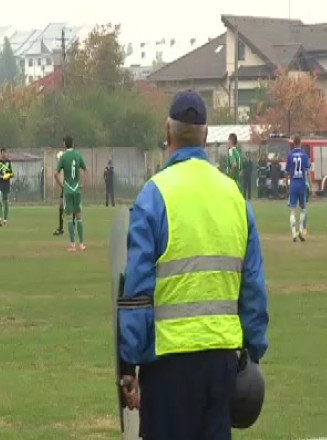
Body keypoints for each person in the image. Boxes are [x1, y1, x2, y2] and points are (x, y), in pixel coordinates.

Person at [119, 91, 269, 440]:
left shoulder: (153, 195)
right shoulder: (234, 197)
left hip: (168, 366)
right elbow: (253, 288)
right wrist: (254, 350)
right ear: (205, 135)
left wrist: (128, 366)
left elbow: (137, 293)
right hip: (222, 365)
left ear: (167, 134)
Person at [54, 136, 86, 251]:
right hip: (77, 189)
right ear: (73, 143)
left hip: (67, 190)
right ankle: (82, 244)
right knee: (79, 217)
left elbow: (55, 174)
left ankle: (73, 245)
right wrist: (82, 183)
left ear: (64, 145)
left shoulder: (63, 157)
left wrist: (61, 185)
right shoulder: (78, 155)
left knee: (69, 217)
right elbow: (86, 169)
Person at [285, 136, 311, 242]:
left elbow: (286, 173)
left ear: (293, 144)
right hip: (302, 184)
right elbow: (307, 172)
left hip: (293, 184)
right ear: (300, 143)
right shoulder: (304, 155)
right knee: (303, 209)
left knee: (292, 210)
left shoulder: (290, 155)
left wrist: (287, 185)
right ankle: (300, 230)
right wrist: (312, 186)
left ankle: (293, 235)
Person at [0, 147, 14, 227]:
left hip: (6, 184)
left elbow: (12, 174)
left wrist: (8, 175)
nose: (3, 154)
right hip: (0, 184)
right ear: (1, 153)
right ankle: (0, 219)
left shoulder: (9, 162)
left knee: (6, 202)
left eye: (5, 152)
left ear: (6, 153)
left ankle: (5, 219)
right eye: (2, 153)